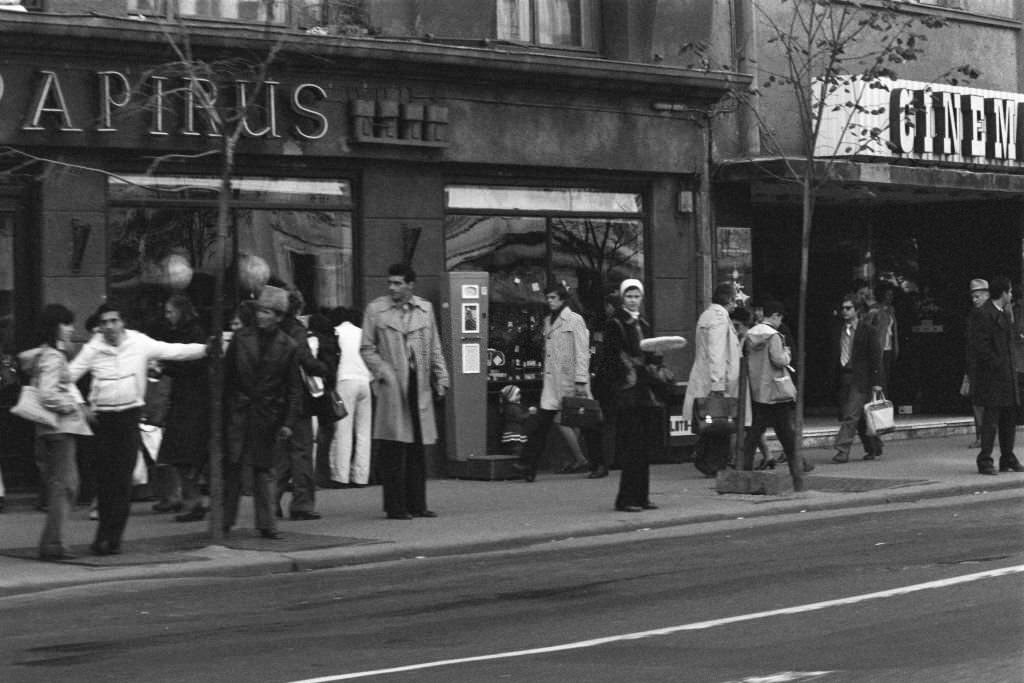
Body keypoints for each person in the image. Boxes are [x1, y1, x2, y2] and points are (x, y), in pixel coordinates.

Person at [69, 300, 208, 556]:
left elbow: (175, 351)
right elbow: (67, 377)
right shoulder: (93, 348)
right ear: (99, 327)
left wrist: (206, 348)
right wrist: (81, 405)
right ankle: (103, 535)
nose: (110, 327)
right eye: (104, 323)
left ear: (122, 323)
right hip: (103, 420)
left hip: (128, 417)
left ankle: (113, 539)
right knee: (105, 481)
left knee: (122, 482)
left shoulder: (139, 343)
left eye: (114, 321)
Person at [361, 263, 449, 519]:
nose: (392, 287)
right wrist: (382, 371)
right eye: (390, 283)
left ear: (411, 285)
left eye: (398, 283)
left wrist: (441, 377)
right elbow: (367, 348)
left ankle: (417, 504)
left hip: (418, 384)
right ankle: (395, 506)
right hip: (392, 386)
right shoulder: (376, 310)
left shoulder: (425, 309)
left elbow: (434, 346)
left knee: (417, 448)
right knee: (393, 448)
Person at [222, 285, 303, 539]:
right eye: (259, 311)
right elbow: (227, 377)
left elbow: (293, 388)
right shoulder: (241, 338)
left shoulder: (288, 346)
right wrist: (225, 410)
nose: (260, 316)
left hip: (267, 413)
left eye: (267, 312)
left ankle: (267, 524)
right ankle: (223, 521)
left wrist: (288, 421)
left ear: (279, 316)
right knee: (232, 467)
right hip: (239, 410)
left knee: (264, 469)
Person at [18, 305, 92, 560]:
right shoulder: (53, 357)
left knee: (62, 484)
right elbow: (48, 393)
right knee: (67, 485)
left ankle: (53, 542)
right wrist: (71, 405)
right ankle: (53, 544)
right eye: (67, 323)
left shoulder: (48, 354)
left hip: (50, 430)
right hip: (60, 428)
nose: (72, 328)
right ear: (56, 326)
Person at [515, 283, 591, 482]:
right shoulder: (549, 321)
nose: (549, 301)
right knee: (543, 424)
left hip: (569, 380)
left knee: (585, 423)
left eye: (553, 298)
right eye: (547, 298)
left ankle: (592, 460)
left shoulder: (575, 320)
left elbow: (582, 352)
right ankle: (528, 465)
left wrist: (581, 380)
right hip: (552, 382)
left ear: (563, 299)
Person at [602, 279, 665, 512]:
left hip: (644, 391)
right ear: (622, 298)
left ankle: (642, 496)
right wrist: (633, 367)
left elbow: (652, 354)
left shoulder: (644, 323)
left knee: (643, 446)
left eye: (636, 296)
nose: (632, 300)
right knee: (632, 446)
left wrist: (656, 360)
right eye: (629, 296)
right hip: (628, 391)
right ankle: (626, 498)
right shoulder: (616, 323)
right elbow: (612, 358)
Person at [147, 295, 211, 523]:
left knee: (183, 453)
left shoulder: (192, 334)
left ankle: (193, 500)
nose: (167, 316)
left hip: (191, 402)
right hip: (185, 399)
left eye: (170, 312)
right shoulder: (183, 333)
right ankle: (191, 499)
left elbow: (192, 365)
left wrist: (166, 367)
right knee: (180, 454)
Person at [741, 301, 813, 491]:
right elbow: (779, 360)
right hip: (775, 390)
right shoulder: (773, 335)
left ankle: (744, 473)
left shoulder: (751, 334)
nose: (781, 322)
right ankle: (797, 472)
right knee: (786, 435)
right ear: (775, 316)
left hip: (758, 390)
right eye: (780, 317)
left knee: (754, 434)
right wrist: (787, 353)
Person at [275, 288, 328, 521]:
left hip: (273, 399)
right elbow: (304, 360)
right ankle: (302, 503)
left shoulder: (272, 329)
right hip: (297, 400)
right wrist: (324, 369)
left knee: (280, 455)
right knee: (301, 452)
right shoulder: (296, 330)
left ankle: (270, 500)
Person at [683, 282, 742, 476]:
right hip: (716, 381)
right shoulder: (719, 318)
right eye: (735, 300)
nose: (736, 305)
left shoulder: (706, 315)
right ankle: (712, 463)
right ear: (729, 300)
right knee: (720, 423)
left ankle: (707, 460)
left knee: (711, 422)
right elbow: (717, 352)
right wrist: (718, 384)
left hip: (705, 377)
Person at [967, 276, 1024, 475]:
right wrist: (997, 363)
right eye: (1009, 292)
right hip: (992, 377)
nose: (1011, 295)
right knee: (991, 421)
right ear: (1003, 293)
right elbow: (980, 346)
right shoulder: (984, 314)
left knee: (1008, 419)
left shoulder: (1004, 314)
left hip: (1006, 375)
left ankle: (1007, 457)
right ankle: (985, 460)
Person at [831, 294, 883, 464]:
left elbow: (876, 358)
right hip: (844, 377)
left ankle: (842, 450)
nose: (844, 311)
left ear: (857, 310)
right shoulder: (838, 329)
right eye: (843, 308)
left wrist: (877, 383)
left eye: (848, 308)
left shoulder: (868, 330)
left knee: (851, 415)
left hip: (861, 379)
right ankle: (874, 447)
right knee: (859, 416)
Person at [326, 306, 373, 488]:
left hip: (345, 380)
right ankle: (361, 476)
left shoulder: (337, 332)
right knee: (363, 431)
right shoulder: (362, 333)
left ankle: (340, 475)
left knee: (343, 429)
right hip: (364, 381)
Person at [306, 311, 341, 489]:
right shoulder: (331, 340)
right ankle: (323, 473)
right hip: (328, 388)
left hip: (315, 389)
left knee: (312, 435)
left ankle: (312, 475)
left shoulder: (313, 339)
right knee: (328, 431)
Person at [963, 279, 990, 448]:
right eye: (973, 296)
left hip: (987, 364)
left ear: (987, 295)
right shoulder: (973, 315)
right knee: (977, 402)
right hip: (975, 364)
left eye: (978, 296)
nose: (975, 299)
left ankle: (985, 436)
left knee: (985, 403)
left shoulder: (992, 314)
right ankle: (981, 435)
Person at [864, 282, 900, 391]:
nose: (891, 297)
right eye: (888, 294)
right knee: (878, 378)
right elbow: (867, 328)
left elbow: (892, 330)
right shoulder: (874, 309)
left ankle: (883, 403)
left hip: (888, 348)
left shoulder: (891, 309)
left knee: (886, 377)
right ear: (882, 295)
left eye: (892, 295)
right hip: (878, 347)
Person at [499, 384, 531, 462]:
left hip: (511, 432)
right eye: (517, 394)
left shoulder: (507, 406)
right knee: (517, 451)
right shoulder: (513, 407)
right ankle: (515, 466)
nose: (519, 396)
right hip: (515, 433)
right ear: (511, 396)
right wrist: (529, 413)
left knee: (513, 451)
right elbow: (520, 418)